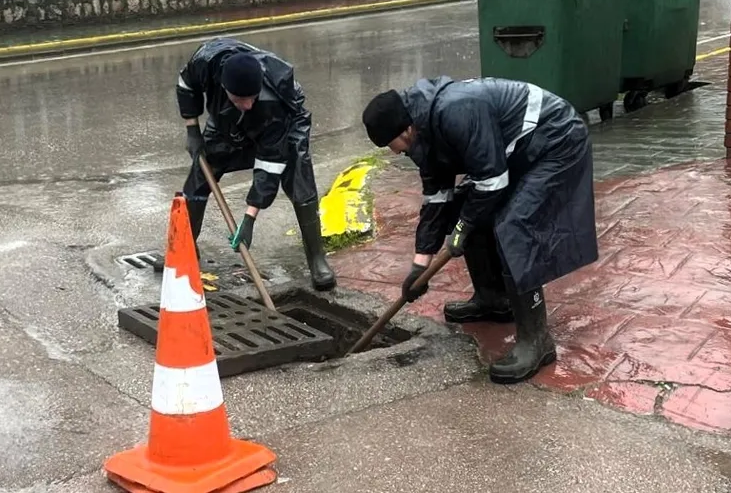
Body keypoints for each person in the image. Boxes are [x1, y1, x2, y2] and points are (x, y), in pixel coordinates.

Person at [360, 76, 598, 384]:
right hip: (513, 151)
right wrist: (418, 267)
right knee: (464, 209)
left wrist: (463, 227)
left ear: (405, 130)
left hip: (555, 140)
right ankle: (493, 300)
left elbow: (492, 180)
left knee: (514, 226)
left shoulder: (456, 111)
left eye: (396, 146)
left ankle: (536, 340)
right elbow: (437, 198)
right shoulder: (423, 131)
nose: (396, 153)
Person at [177, 37, 336, 291]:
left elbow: (269, 163)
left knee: (299, 181)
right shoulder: (205, 62)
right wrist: (192, 129)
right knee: (199, 177)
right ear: (224, 87)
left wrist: (249, 218)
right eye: (242, 98)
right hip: (225, 120)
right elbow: (186, 84)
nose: (248, 104)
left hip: (286, 123)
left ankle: (317, 260)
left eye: (252, 97)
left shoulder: (271, 101)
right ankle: (183, 250)